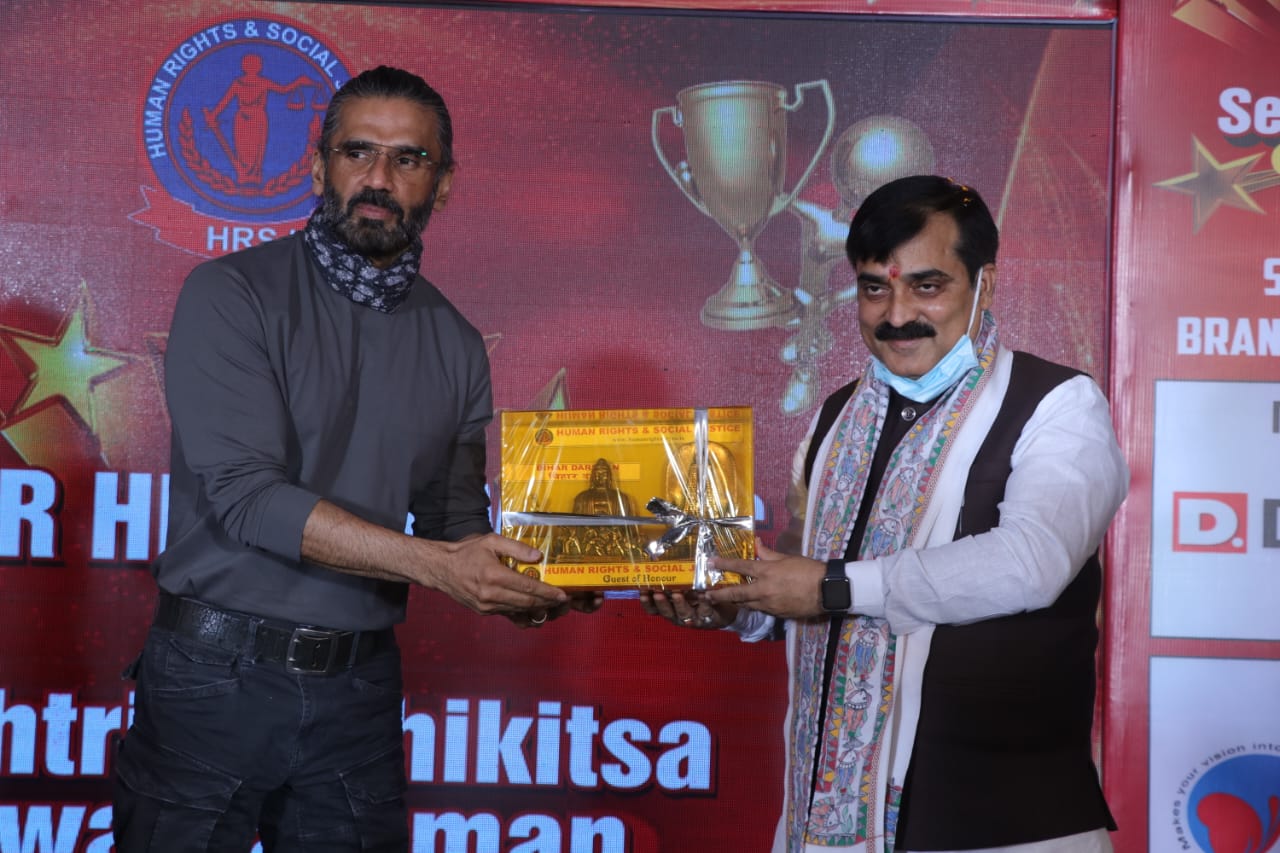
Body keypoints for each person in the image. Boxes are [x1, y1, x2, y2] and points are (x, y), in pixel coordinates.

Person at [112, 66, 581, 852]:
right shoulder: (230, 293)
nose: (378, 178)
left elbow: (455, 524)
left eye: (408, 158)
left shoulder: (459, 343)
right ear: (317, 166)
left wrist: (545, 580)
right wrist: (439, 565)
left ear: (444, 183)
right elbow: (248, 498)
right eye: (357, 152)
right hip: (211, 679)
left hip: (358, 694)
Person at [644, 175, 1128, 853]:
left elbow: (1030, 563)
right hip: (828, 830)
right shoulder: (838, 417)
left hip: (1007, 831)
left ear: (984, 284)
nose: (897, 314)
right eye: (875, 289)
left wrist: (830, 586)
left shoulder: (1057, 405)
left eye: (927, 286)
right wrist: (735, 606)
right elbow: (801, 579)